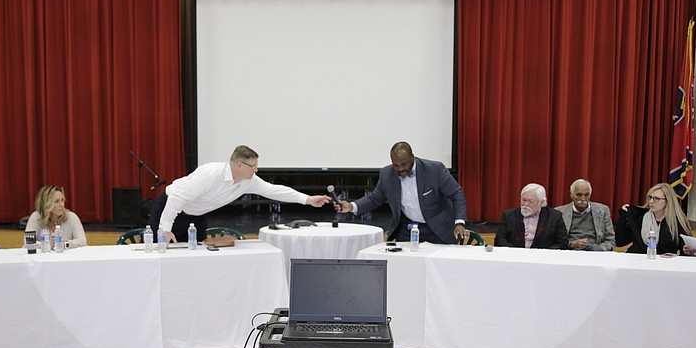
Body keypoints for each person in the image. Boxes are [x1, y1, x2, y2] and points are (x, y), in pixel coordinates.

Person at [156, 145, 330, 243]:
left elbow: (274, 190)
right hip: (169, 208)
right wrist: (165, 228)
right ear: (239, 165)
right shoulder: (210, 174)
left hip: (196, 217)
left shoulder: (249, 181)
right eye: (252, 166)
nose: (256, 169)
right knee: (161, 254)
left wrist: (307, 199)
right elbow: (178, 198)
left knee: (198, 255)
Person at [334, 142, 468, 244]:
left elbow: (456, 194)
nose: (400, 169)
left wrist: (459, 223)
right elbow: (375, 198)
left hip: (438, 228)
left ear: (412, 157)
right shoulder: (387, 174)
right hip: (407, 228)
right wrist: (351, 206)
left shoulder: (434, 170)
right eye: (396, 165)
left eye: (404, 164)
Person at [615, 182, 692, 255]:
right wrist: (622, 218)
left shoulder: (677, 222)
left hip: (664, 263)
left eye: (656, 199)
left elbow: (685, 249)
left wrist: (689, 251)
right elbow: (620, 242)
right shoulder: (639, 217)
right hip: (638, 260)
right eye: (650, 197)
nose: (651, 201)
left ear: (667, 201)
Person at [494, 183, 568, 249]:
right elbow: (499, 240)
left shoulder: (555, 217)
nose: (525, 204)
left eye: (530, 201)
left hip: (543, 259)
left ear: (541, 202)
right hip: (514, 257)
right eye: (523, 200)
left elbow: (562, 243)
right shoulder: (508, 215)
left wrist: (542, 254)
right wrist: (517, 253)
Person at [554, 179, 616, 251]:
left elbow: (610, 240)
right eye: (579, 195)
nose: (583, 198)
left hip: (595, 252)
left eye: (586, 195)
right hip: (570, 251)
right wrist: (571, 244)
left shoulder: (602, 210)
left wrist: (600, 249)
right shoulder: (559, 212)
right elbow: (554, 240)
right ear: (571, 195)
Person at [24, 185, 87, 249]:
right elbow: (27, 243)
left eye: (62, 200)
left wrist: (65, 244)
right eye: (57, 201)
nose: (62, 205)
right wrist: (46, 244)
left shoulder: (71, 217)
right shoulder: (36, 217)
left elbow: (82, 241)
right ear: (46, 204)